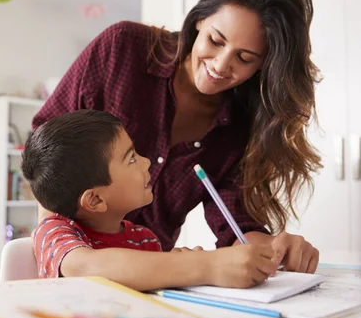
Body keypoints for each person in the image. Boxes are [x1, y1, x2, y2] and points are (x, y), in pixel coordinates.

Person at [32, 0, 321, 273]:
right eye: (216, 41)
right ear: (199, 20)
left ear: (264, 66)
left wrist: (274, 249)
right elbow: (48, 148)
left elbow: (235, 225)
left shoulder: (241, 124)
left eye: (244, 58)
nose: (221, 65)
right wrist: (54, 249)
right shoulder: (122, 48)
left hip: (153, 278)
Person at [22, 109, 278, 291]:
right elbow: (86, 266)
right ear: (96, 199)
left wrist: (178, 268)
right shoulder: (55, 231)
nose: (146, 162)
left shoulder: (144, 240)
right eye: (131, 158)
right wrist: (204, 266)